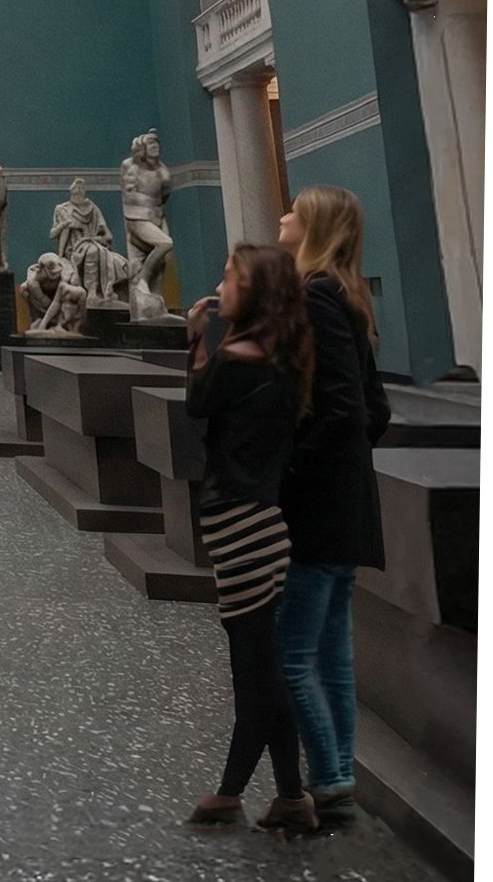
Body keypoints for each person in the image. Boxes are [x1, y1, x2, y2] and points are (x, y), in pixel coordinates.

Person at [183, 243, 318, 835]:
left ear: (255, 292)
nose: (222, 285)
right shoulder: (282, 358)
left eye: (232, 277)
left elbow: (197, 402)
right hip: (263, 526)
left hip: (239, 529)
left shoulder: (236, 358)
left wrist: (195, 337)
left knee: (253, 673)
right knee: (265, 666)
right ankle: (292, 796)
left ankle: (230, 793)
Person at [276, 187, 392, 824]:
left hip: (318, 510)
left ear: (314, 227)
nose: (283, 216)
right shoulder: (346, 295)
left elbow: (347, 409)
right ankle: (339, 771)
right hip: (345, 503)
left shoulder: (316, 294)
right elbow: (376, 410)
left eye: (293, 210)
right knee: (331, 656)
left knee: (293, 656)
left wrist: (293, 469)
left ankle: (328, 776)